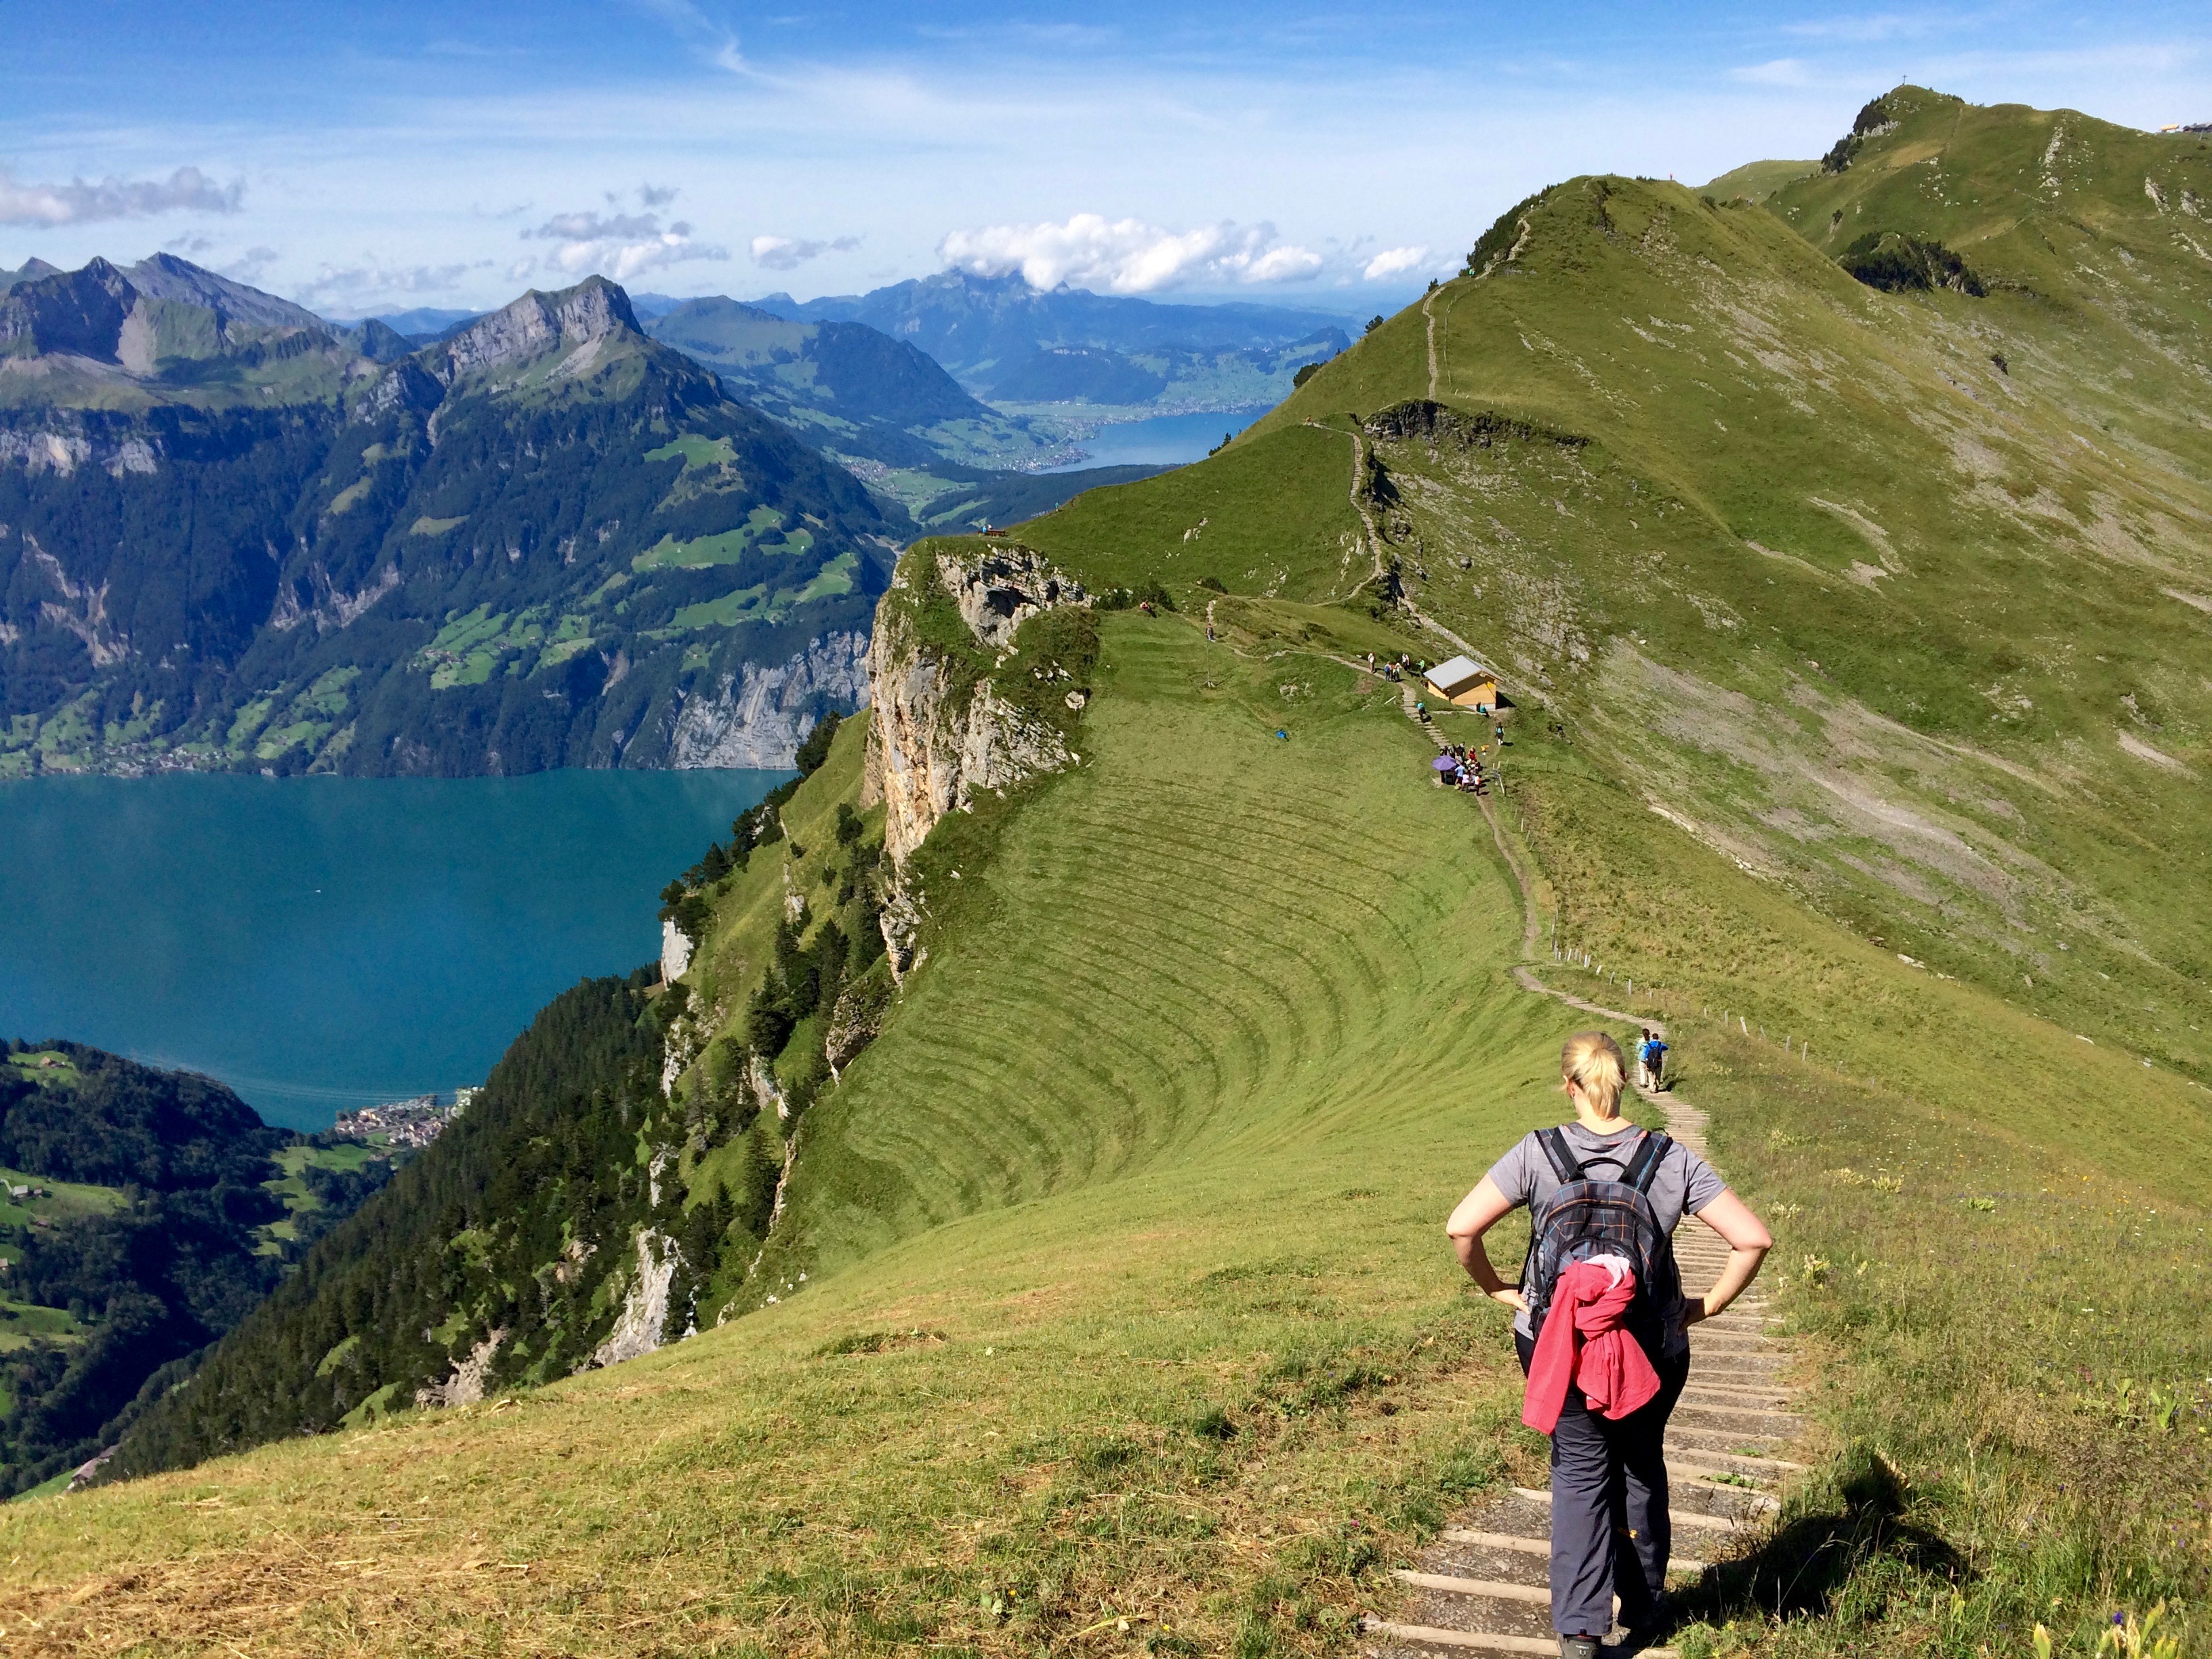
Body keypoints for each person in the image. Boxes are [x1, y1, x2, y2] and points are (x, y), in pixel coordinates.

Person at [1445, 1033, 1771, 1657]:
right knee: (1642, 1467)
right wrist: (1706, 1307)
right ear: (1624, 1081)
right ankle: (1645, 1606)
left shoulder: (1537, 1153)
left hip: (1559, 1348)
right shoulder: (1669, 1159)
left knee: (1578, 1474)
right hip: (1650, 1347)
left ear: (1569, 1086)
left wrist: (1496, 1289)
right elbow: (1752, 1239)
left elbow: (1462, 1227)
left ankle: (1579, 1630)